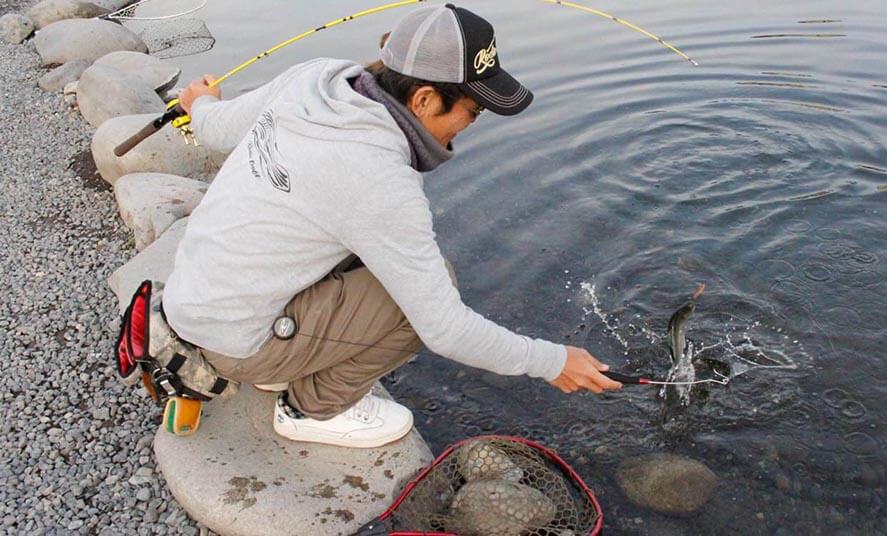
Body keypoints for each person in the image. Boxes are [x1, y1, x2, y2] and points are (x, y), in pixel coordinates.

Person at [164, 3, 621, 449]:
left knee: (372, 253)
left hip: (192, 298)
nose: (470, 124)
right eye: (473, 111)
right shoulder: (379, 178)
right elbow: (445, 329)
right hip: (234, 342)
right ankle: (311, 409)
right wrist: (552, 361)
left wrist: (199, 103)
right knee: (419, 300)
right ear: (423, 99)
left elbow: (215, 129)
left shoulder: (316, 78)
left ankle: (287, 353)